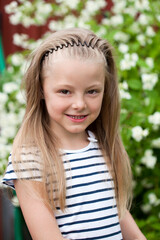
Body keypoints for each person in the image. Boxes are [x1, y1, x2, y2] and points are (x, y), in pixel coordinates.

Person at [2, 28, 146, 240]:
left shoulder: (103, 146)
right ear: (41, 89)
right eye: (65, 91)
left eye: (92, 91)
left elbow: (122, 221)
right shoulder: (30, 161)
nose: (79, 104)